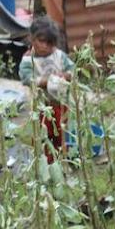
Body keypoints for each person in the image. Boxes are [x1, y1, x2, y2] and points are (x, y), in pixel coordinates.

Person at [19, 16, 75, 161]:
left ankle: (62, 159)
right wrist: (46, 80)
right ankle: (44, 161)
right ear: (32, 38)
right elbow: (27, 78)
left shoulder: (59, 56)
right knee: (42, 135)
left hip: (60, 105)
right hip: (41, 107)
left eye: (49, 43)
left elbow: (73, 69)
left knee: (61, 133)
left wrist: (64, 75)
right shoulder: (28, 60)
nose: (45, 46)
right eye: (41, 41)